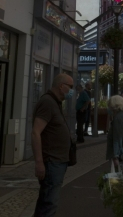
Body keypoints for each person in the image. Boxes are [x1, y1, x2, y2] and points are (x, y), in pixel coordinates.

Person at [32, 73, 74, 217]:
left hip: (57, 161)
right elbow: (36, 132)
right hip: (51, 161)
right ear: (61, 86)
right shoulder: (48, 102)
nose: (72, 91)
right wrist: (39, 162)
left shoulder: (55, 102)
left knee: (47, 201)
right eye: (71, 87)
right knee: (49, 203)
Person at [106, 95, 123, 183]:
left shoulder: (118, 118)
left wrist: (115, 156)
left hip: (121, 155)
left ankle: (120, 194)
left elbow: (117, 138)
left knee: (117, 179)